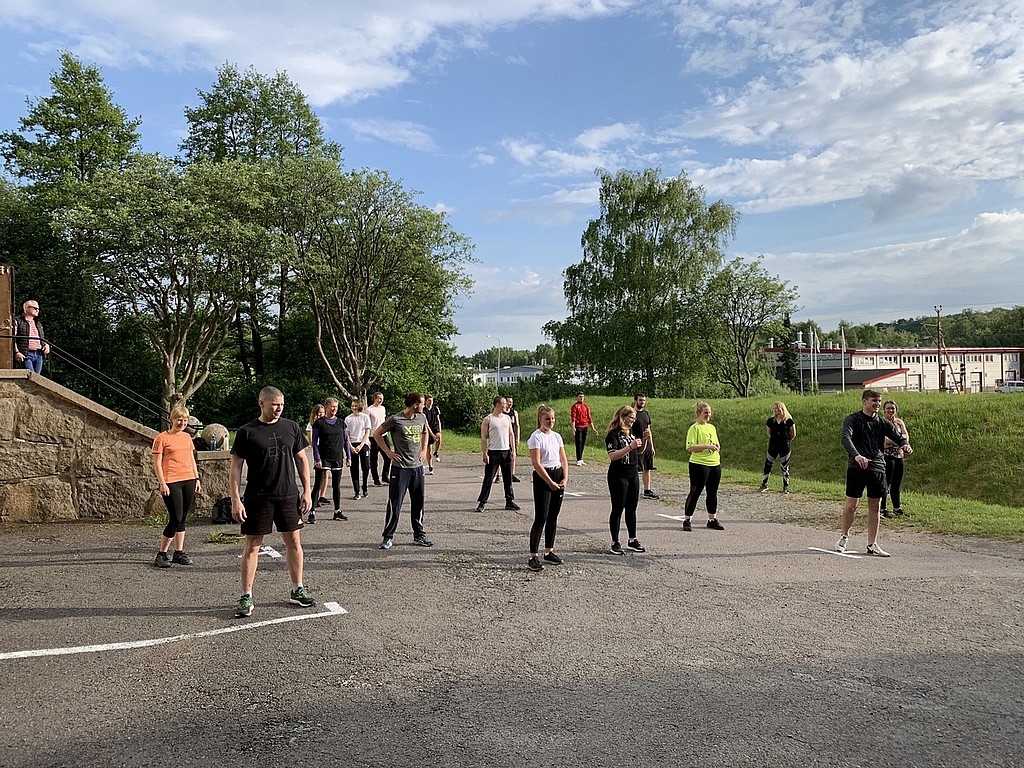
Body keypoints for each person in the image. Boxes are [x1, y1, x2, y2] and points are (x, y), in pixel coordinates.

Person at [229, 386, 315, 618]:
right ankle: (246, 595)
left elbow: (301, 459)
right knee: (252, 545)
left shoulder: (291, 427)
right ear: (262, 403)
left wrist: (307, 491)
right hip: (258, 497)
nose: (279, 409)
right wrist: (236, 499)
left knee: (294, 541)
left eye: (282, 405)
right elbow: (235, 467)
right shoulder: (247, 432)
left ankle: (297, 588)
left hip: (287, 494)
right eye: (275, 404)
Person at [835, 389, 913, 557]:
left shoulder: (882, 422)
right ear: (864, 401)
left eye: (878, 401)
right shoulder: (852, 419)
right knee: (852, 504)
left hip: (877, 467)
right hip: (857, 467)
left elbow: (897, 436)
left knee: (875, 506)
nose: (877, 404)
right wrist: (856, 455)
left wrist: (904, 444)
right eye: (874, 401)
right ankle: (844, 537)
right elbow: (845, 438)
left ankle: (872, 544)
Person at [373, 392, 434, 550]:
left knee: (418, 502)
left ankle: (419, 534)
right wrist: (388, 452)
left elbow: (425, 432)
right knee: (395, 503)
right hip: (400, 469)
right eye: (422, 403)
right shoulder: (396, 419)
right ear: (415, 404)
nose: (424, 406)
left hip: (417, 467)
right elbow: (377, 434)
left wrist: (423, 450)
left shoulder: (421, 417)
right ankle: (388, 536)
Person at [152, 405, 201, 568]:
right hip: (171, 481)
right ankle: (162, 553)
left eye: (185, 420)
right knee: (176, 517)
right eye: (179, 419)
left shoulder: (187, 437)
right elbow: (157, 463)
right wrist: (162, 483)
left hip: (188, 479)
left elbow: (191, 458)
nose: (182, 423)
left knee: (183, 518)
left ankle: (179, 552)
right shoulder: (162, 438)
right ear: (172, 419)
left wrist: (196, 478)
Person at [526, 405, 569, 571]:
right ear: (540, 420)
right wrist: (549, 481)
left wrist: (565, 477)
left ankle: (549, 551)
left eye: (552, 418)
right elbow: (536, 463)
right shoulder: (536, 437)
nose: (550, 422)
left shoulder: (557, 436)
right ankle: (533, 555)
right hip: (544, 477)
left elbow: (563, 459)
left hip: (557, 474)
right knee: (541, 516)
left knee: (553, 516)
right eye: (547, 419)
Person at [605, 405, 646, 555]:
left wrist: (645, 441)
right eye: (631, 418)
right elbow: (613, 455)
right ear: (623, 417)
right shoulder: (613, 434)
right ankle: (615, 541)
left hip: (632, 472)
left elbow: (638, 451)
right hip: (619, 473)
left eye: (634, 419)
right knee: (618, 508)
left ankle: (632, 539)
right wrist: (630, 446)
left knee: (632, 507)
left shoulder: (632, 432)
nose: (633, 421)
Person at [682, 401, 725, 532]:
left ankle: (712, 519)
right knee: (696, 491)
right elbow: (690, 447)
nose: (708, 415)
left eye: (709, 412)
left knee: (712, 492)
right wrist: (707, 446)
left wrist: (716, 447)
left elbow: (716, 442)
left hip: (714, 463)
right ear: (699, 413)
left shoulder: (711, 427)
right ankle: (687, 519)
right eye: (706, 412)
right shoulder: (694, 428)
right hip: (699, 464)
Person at [475, 395, 519, 513]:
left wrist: (513, 451)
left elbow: (511, 434)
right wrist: (484, 452)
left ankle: (509, 501)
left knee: (508, 478)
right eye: (504, 403)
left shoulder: (507, 418)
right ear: (498, 404)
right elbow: (483, 437)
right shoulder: (488, 419)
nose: (506, 405)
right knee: (489, 478)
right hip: (494, 452)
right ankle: (482, 502)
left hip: (506, 451)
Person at [310, 398, 351, 523]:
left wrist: (349, 456)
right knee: (318, 485)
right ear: (327, 407)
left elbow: (346, 441)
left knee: (336, 486)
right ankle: (312, 511)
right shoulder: (319, 423)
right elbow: (314, 443)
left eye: (336, 407)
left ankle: (337, 511)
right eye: (332, 406)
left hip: (337, 457)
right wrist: (317, 458)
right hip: (323, 458)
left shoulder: (341, 423)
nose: (334, 409)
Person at [880, 400, 909, 518]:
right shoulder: (881, 422)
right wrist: (899, 440)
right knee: (886, 483)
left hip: (899, 455)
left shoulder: (899, 422)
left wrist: (900, 440)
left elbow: (906, 436)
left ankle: (897, 508)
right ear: (884, 410)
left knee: (896, 483)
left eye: (893, 408)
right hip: (887, 456)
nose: (890, 410)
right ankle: (882, 509)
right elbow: (885, 441)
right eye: (888, 408)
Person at [760, 401, 796, 493]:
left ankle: (785, 486)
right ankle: (764, 484)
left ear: (781, 409)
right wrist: (774, 439)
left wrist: (787, 440)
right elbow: (769, 433)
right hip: (773, 444)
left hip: (784, 445)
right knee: (768, 464)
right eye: (774, 408)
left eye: (777, 408)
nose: (775, 410)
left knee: (784, 466)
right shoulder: (770, 421)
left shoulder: (788, 421)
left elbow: (793, 434)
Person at [631, 394, 659, 499]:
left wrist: (652, 446)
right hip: (636, 444)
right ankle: (632, 489)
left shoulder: (646, 414)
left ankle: (647, 490)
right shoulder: (632, 414)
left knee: (647, 468)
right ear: (635, 401)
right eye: (640, 400)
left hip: (647, 444)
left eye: (644, 400)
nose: (642, 402)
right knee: (635, 468)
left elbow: (648, 430)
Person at [345, 399, 372, 499]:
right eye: (352, 406)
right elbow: (346, 434)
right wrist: (350, 446)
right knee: (354, 468)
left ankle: (365, 486)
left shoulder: (365, 417)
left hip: (363, 443)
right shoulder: (348, 419)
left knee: (366, 467)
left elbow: (367, 432)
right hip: (352, 444)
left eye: (355, 406)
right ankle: (357, 491)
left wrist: (361, 445)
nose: (353, 408)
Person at [13, 300, 50, 373]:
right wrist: (16, 352)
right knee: (31, 375)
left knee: (37, 377)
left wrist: (46, 344)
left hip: (39, 354)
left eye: (38, 309)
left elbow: (40, 338)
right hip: (26, 354)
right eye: (35, 308)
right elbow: (13, 339)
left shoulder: (38, 323)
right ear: (27, 308)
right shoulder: (18, 321)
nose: (37, 310)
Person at [306, 403, 329, 507]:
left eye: (323, 413)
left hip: (326, 449)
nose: (321, 415)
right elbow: (311, 441)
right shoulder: (311, 424)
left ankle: (322, 496)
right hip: (318, 449)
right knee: (319, 475)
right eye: (319, 413)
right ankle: (314, 497)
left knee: (326, 474)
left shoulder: (326, 422)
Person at [365, 391, 391, 486]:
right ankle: (375, 479)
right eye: (379, 398)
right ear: (375, 398)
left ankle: (385, 476)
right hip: (373, 436)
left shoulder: (383, 409)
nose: (381, 400)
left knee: (388, 457)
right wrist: (367, 438)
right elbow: (367, 424)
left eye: (382, 399)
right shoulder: (369, 410)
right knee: (374, 459)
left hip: (383, 435)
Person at [570, 392, 595, 466]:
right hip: (578, 426)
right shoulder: (575, 406)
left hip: (585, 426)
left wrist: (593, 428)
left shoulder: (586, 407)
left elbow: (589, 417)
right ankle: (578, 459)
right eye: (580, 396)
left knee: (583, 442)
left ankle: (581, 458)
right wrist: (573, 427)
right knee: (579, 442)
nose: (581, 398)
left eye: (582, 396)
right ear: (577, 397)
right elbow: (573, 417)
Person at [423, 394, 442, 475]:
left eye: (432, 401)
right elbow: (426, 424)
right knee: (429, 449)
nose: (430, 402)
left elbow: (438, 420)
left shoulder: (435, 408)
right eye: (429, 401)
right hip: (427, 429)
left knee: (439, 436)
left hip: (434, 427)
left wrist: (439, 430)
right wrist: (432, 435)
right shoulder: (423, 410)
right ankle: (430, 467)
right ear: (426, 401)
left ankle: (436, 452)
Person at [506, 396, 522, 483]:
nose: (510, 404)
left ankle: (512, 474)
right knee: (501, 457)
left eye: (511, 402)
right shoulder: (502, 412)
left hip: (511, 437)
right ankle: (498, 475)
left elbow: (517, 426)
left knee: (513, 455)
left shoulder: (514, 413)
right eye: (509, 402)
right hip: (503, 437)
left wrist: (517, 438)